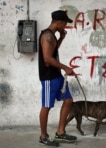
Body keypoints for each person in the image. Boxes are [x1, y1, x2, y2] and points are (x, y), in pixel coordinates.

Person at [38, 10, 77, 146]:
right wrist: (65, 67)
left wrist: (61, 38)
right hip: (49, 77)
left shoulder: (53, 36)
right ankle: (43, 136)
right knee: (47, 106)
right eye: (65, 23)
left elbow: (53, 51)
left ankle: (60, 132)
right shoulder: (47, 36)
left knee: (68, 100)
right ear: (59, 22)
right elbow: (47, 59)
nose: (65, 26)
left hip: (57, 76)